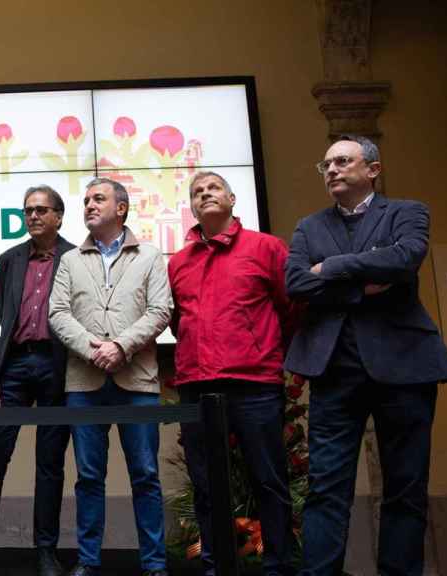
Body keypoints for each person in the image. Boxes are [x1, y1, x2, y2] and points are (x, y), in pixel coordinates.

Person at [285, 135, 447, 576]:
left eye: (343, 161)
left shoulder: (407, 212)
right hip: (334, 370)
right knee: (325, 490)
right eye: (326, 166)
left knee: (405, 489)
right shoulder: (308, 226)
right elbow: (298, 285)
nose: (333, 171)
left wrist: (333, 269)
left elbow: (405, 259)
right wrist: (365, 278)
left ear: (373, 170)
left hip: (406, 367)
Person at [168, 172, 296, 576]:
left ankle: (277, 567)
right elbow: (176, 322)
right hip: (196, 386)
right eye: (196, 192)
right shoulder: (177, 262)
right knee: (207, 487)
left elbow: (291, 310)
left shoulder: (267, 248)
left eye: (213, 188)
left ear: (233, 198)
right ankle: (215, 567)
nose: (204, 194)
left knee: (269, 481)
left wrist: (273, 357)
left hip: (255, 384)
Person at [48, 177, 172, 576]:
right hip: (84, 383)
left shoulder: (150, 256)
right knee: (87, 477)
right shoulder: (69, 260)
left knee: (146, 476)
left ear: (121, 208)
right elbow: (58, 314)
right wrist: (92, 348)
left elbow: (160, 310)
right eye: (85, 200)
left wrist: (120, 345)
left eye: (97, 199)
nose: (88, 205)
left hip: (137, 382)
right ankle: (89, 561)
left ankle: (153, 564)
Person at [0, 185, 74, 576]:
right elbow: (5, 319)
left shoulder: (76, 257)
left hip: (56, 366)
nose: (32, 216)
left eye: (41, 210)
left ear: (59, 216)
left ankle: (45, 551)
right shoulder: (9, 259)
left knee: (50, 463)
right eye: (28, 210)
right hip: (13, 367)